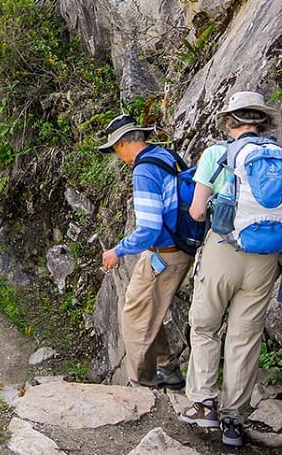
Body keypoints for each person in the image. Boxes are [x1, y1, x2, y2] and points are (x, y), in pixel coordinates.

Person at [179, 91, 282, 447]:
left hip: (223, 251)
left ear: (230, 122)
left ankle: (203, 404)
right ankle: (234, 422)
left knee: (206, 326)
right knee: (245, 338)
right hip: (266, 259)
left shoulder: (216, 154)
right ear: (262, 122)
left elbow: (196, 211)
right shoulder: (279, 156)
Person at [98, 114, 194, 390]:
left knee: (133, 318)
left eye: (116, 149)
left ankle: (142, 385)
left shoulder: (143, 170)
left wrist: (118, 250)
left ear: (123, 143)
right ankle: (169, 370)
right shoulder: (166, 156)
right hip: (181, 247)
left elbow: (149, 228)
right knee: (148, 311)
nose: (119, 156)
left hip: (163, 253)